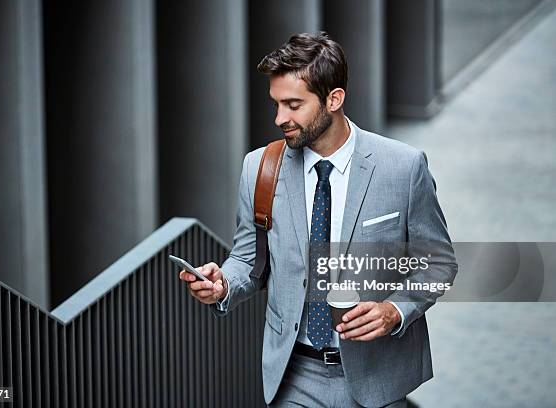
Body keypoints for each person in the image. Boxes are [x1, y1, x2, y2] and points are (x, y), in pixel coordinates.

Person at [179, 32, 457, 408]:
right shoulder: (259, 169)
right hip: (294, 375)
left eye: (294, 105)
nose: (281, 118)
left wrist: (395, 310)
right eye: (276, 104)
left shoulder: (403, 167)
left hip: (378, 375)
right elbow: (248, 259)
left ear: (334, 99)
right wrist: (223, 283)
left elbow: (438, 262)